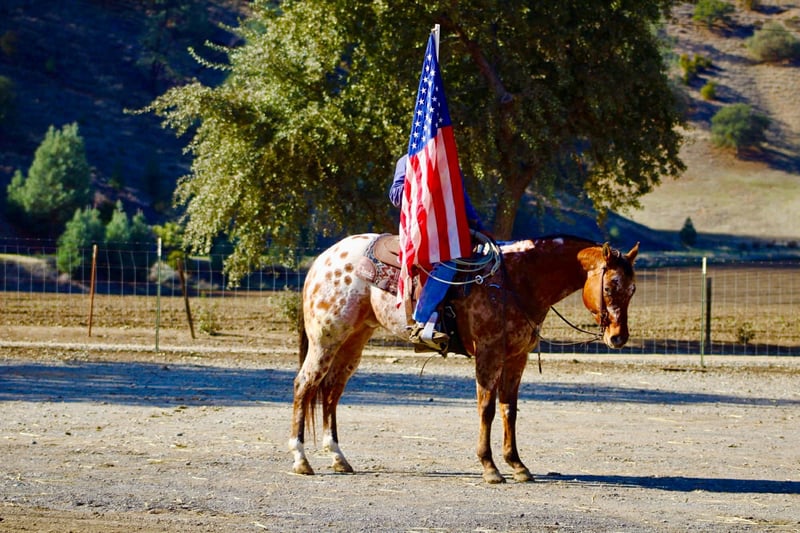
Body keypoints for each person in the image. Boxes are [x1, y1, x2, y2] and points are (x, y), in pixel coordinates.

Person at [389, 154, 485, 351]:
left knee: (482, 259)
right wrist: (422, 183)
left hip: (446, 231)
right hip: (419, 231)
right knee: (448, 262)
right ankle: (421, 321)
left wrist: (479, 227)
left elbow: (461, 198)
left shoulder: (447, 159)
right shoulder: (407, 160)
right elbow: (395, 196)